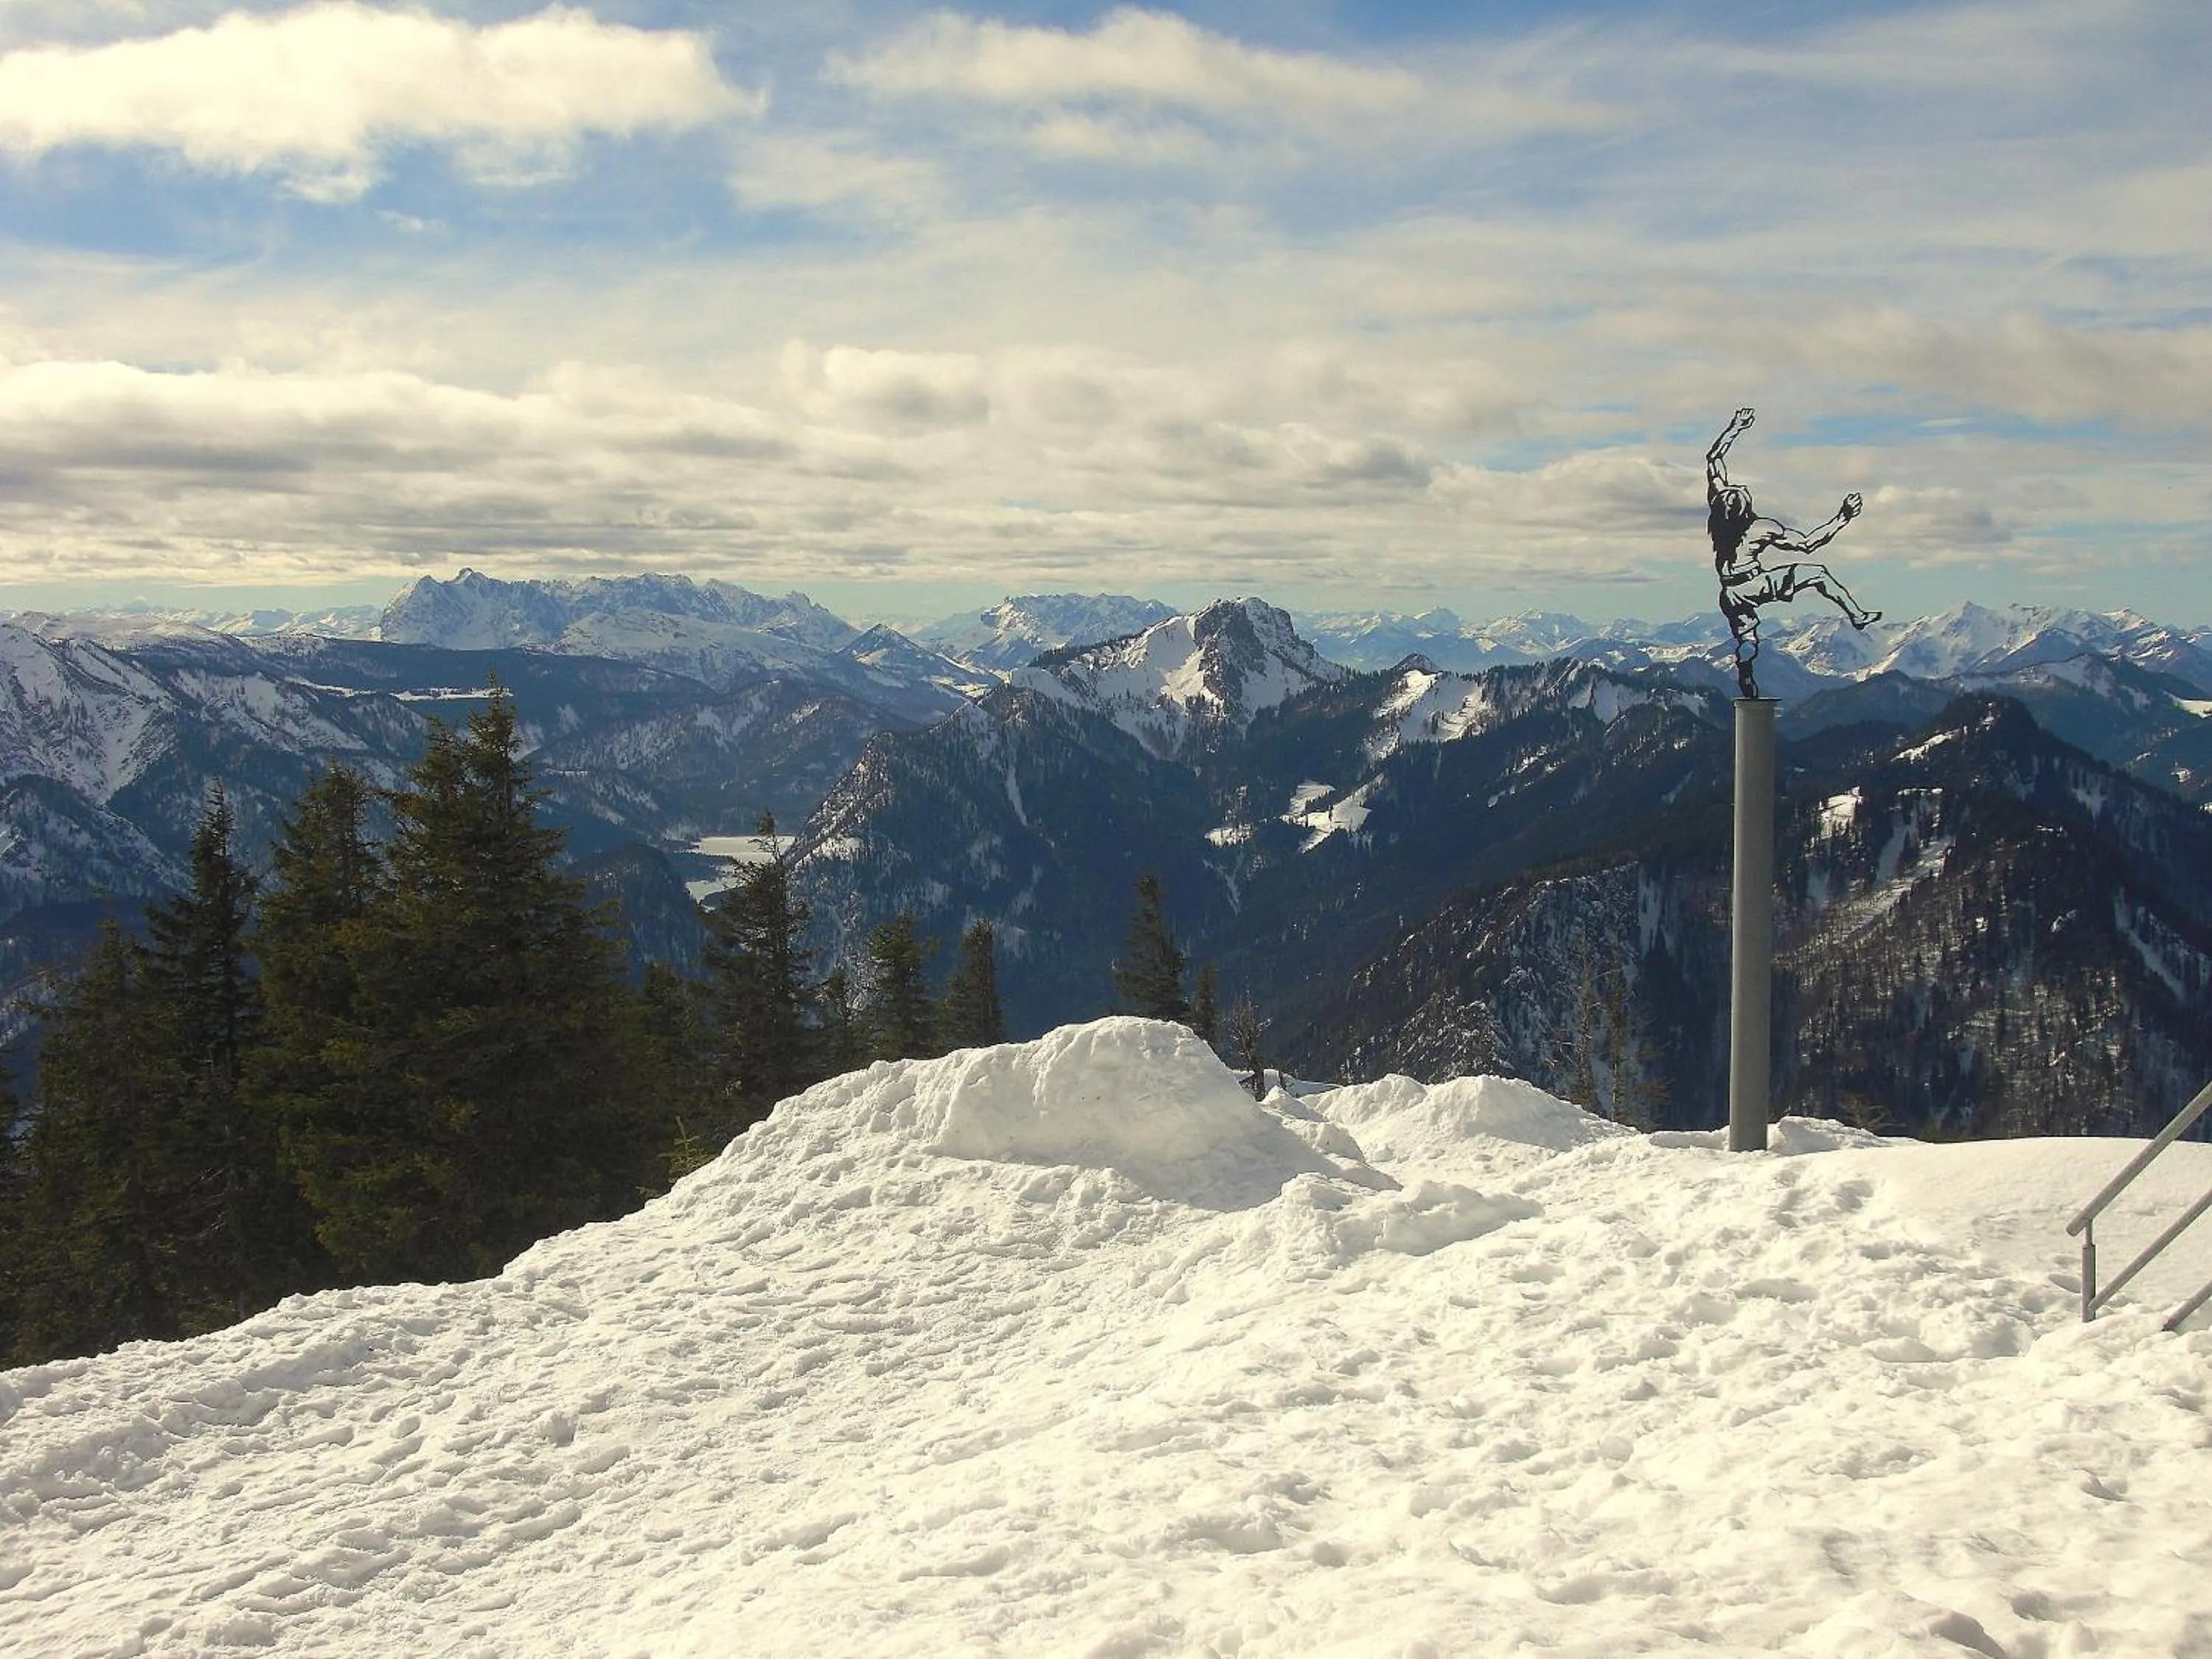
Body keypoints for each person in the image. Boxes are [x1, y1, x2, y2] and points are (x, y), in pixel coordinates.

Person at [1707, 406, 1879, 699]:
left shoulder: (1719, 516)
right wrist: (1843, 517)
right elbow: (1808, 544)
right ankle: (1857, 615)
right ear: (1745, 508)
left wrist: (1735, 427)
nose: (1741, 486)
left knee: (1747, 637)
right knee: (1818, 574)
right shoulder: (1761, 527)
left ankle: (1746, 672)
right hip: (1754, 583)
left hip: (1729, 593)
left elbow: (1714, 459)